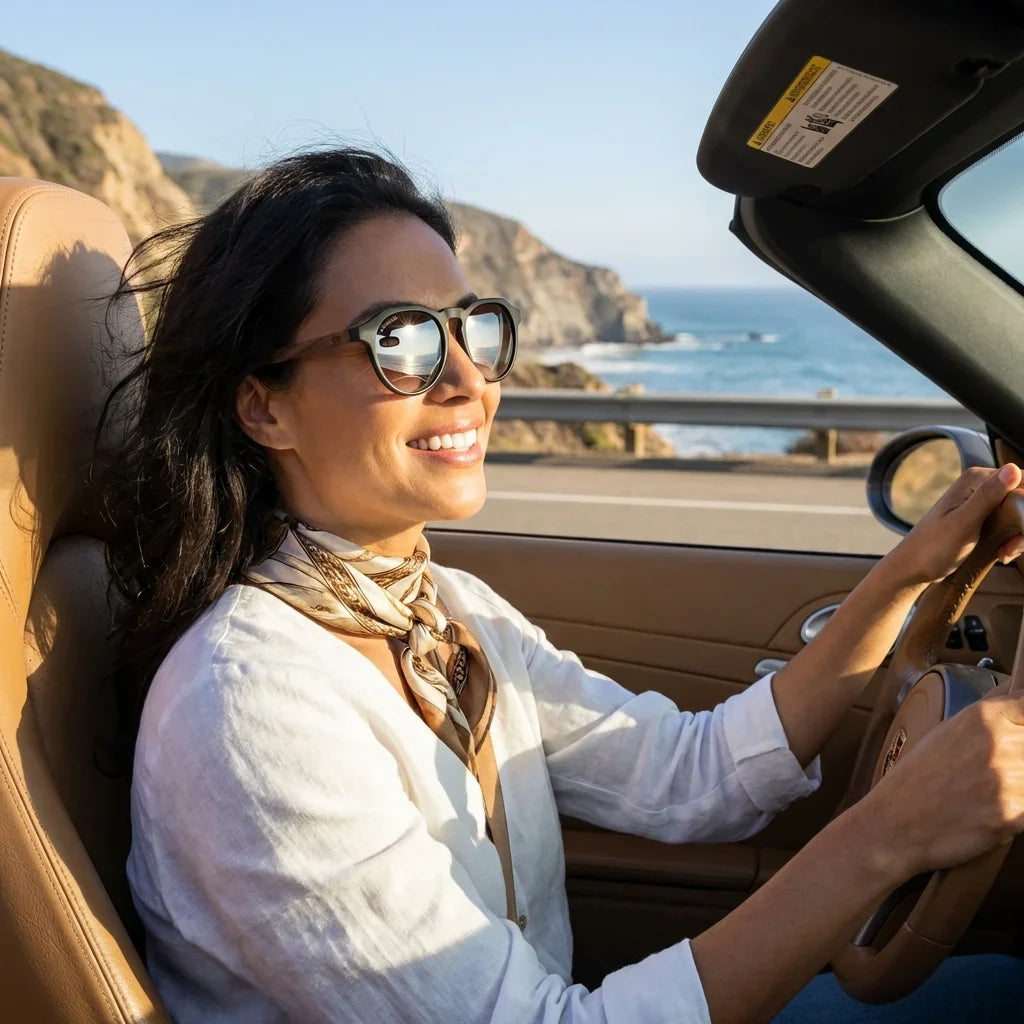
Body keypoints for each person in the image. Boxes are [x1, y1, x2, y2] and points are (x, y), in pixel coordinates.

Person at [100, 147, 1024, 1024]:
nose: (469, 379)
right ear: (264, 405)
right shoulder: (251, 709)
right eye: (403, 340)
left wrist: (911, 572)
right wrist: (890, 835)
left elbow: (693, 773)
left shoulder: (448, 613)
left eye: (473, 328)